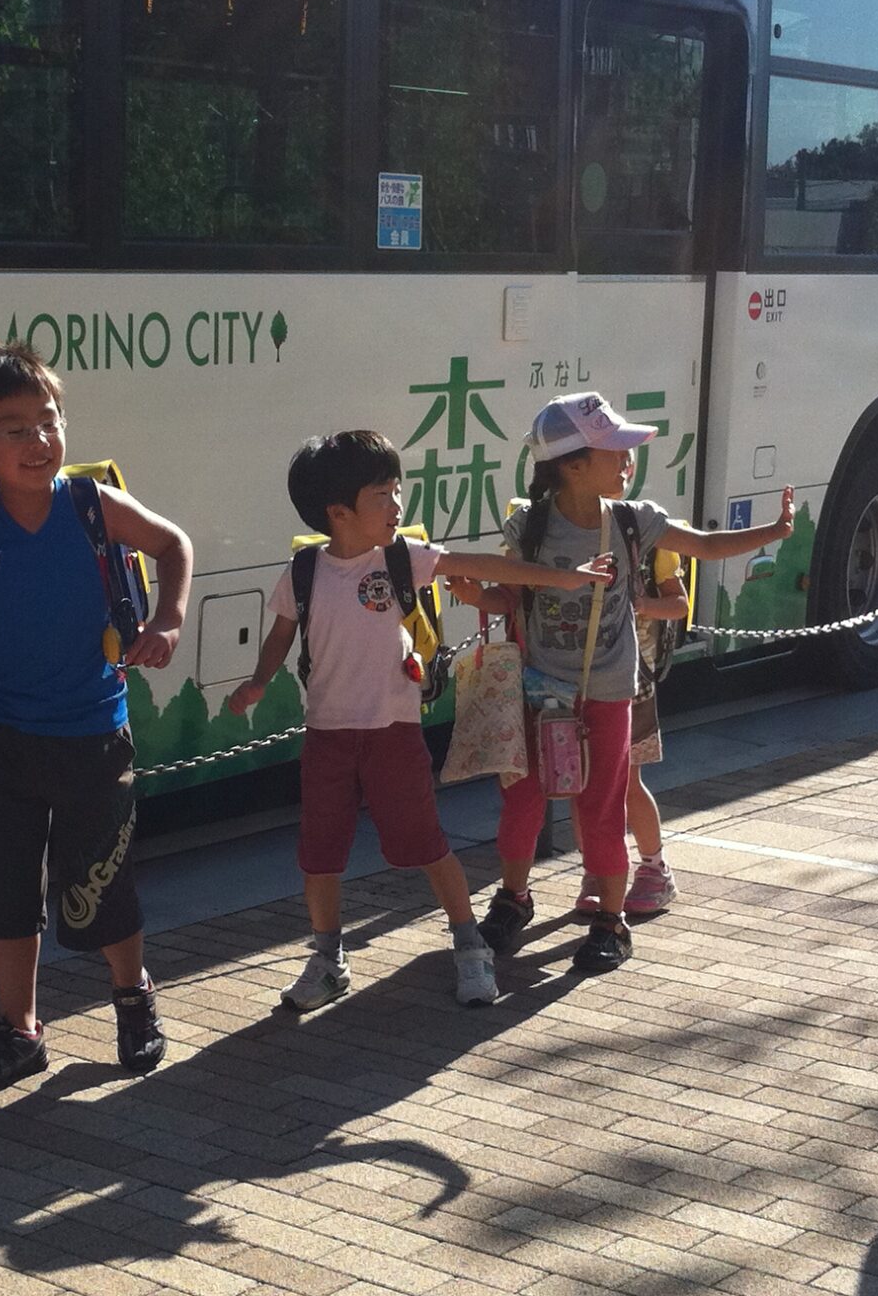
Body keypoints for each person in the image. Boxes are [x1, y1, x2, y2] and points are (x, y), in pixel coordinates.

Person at [224, 431, 614, 1013]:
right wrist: (258, 680)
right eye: (382, 494)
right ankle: (327, 959)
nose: (398, 505)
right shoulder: (303, 570)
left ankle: (470, 946)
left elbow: (479, 564)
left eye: (397, 490)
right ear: (338, 512)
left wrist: (565, 577)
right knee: (319, 854)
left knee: (426, 844)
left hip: (394, 733)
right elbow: (282, 632)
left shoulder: (404, 557)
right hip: (327, 736)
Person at [0, 343, 192, 1094]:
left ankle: (132, 995)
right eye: (15, 429)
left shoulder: (92, 506)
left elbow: (173, 545)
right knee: (5, 892)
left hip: (92, 733)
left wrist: (167, 619)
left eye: (49, 420)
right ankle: (20, 1031)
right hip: (0, 737)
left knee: (101, 880)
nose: (39, 440)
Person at [482, 393, 792, 975]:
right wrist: (475, 592)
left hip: (607, 691)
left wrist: (775, 530)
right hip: (539, 689)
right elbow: (509, 596)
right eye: (616, 450)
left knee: (602, 803)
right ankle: (514, 898)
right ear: (574, 465)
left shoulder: (633, 519)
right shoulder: (529, 526)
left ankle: (610, 921)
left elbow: (703, 546)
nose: (629, 460)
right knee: (521, 799)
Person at [621, 547, 692, 920]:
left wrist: (644, 605)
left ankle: (655, 869)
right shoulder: (562, 530)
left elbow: (679, 604)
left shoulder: (648, 539)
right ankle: (596, 872)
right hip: (577, 681)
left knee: (627, 781)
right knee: (582, 784)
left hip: (633, 682)